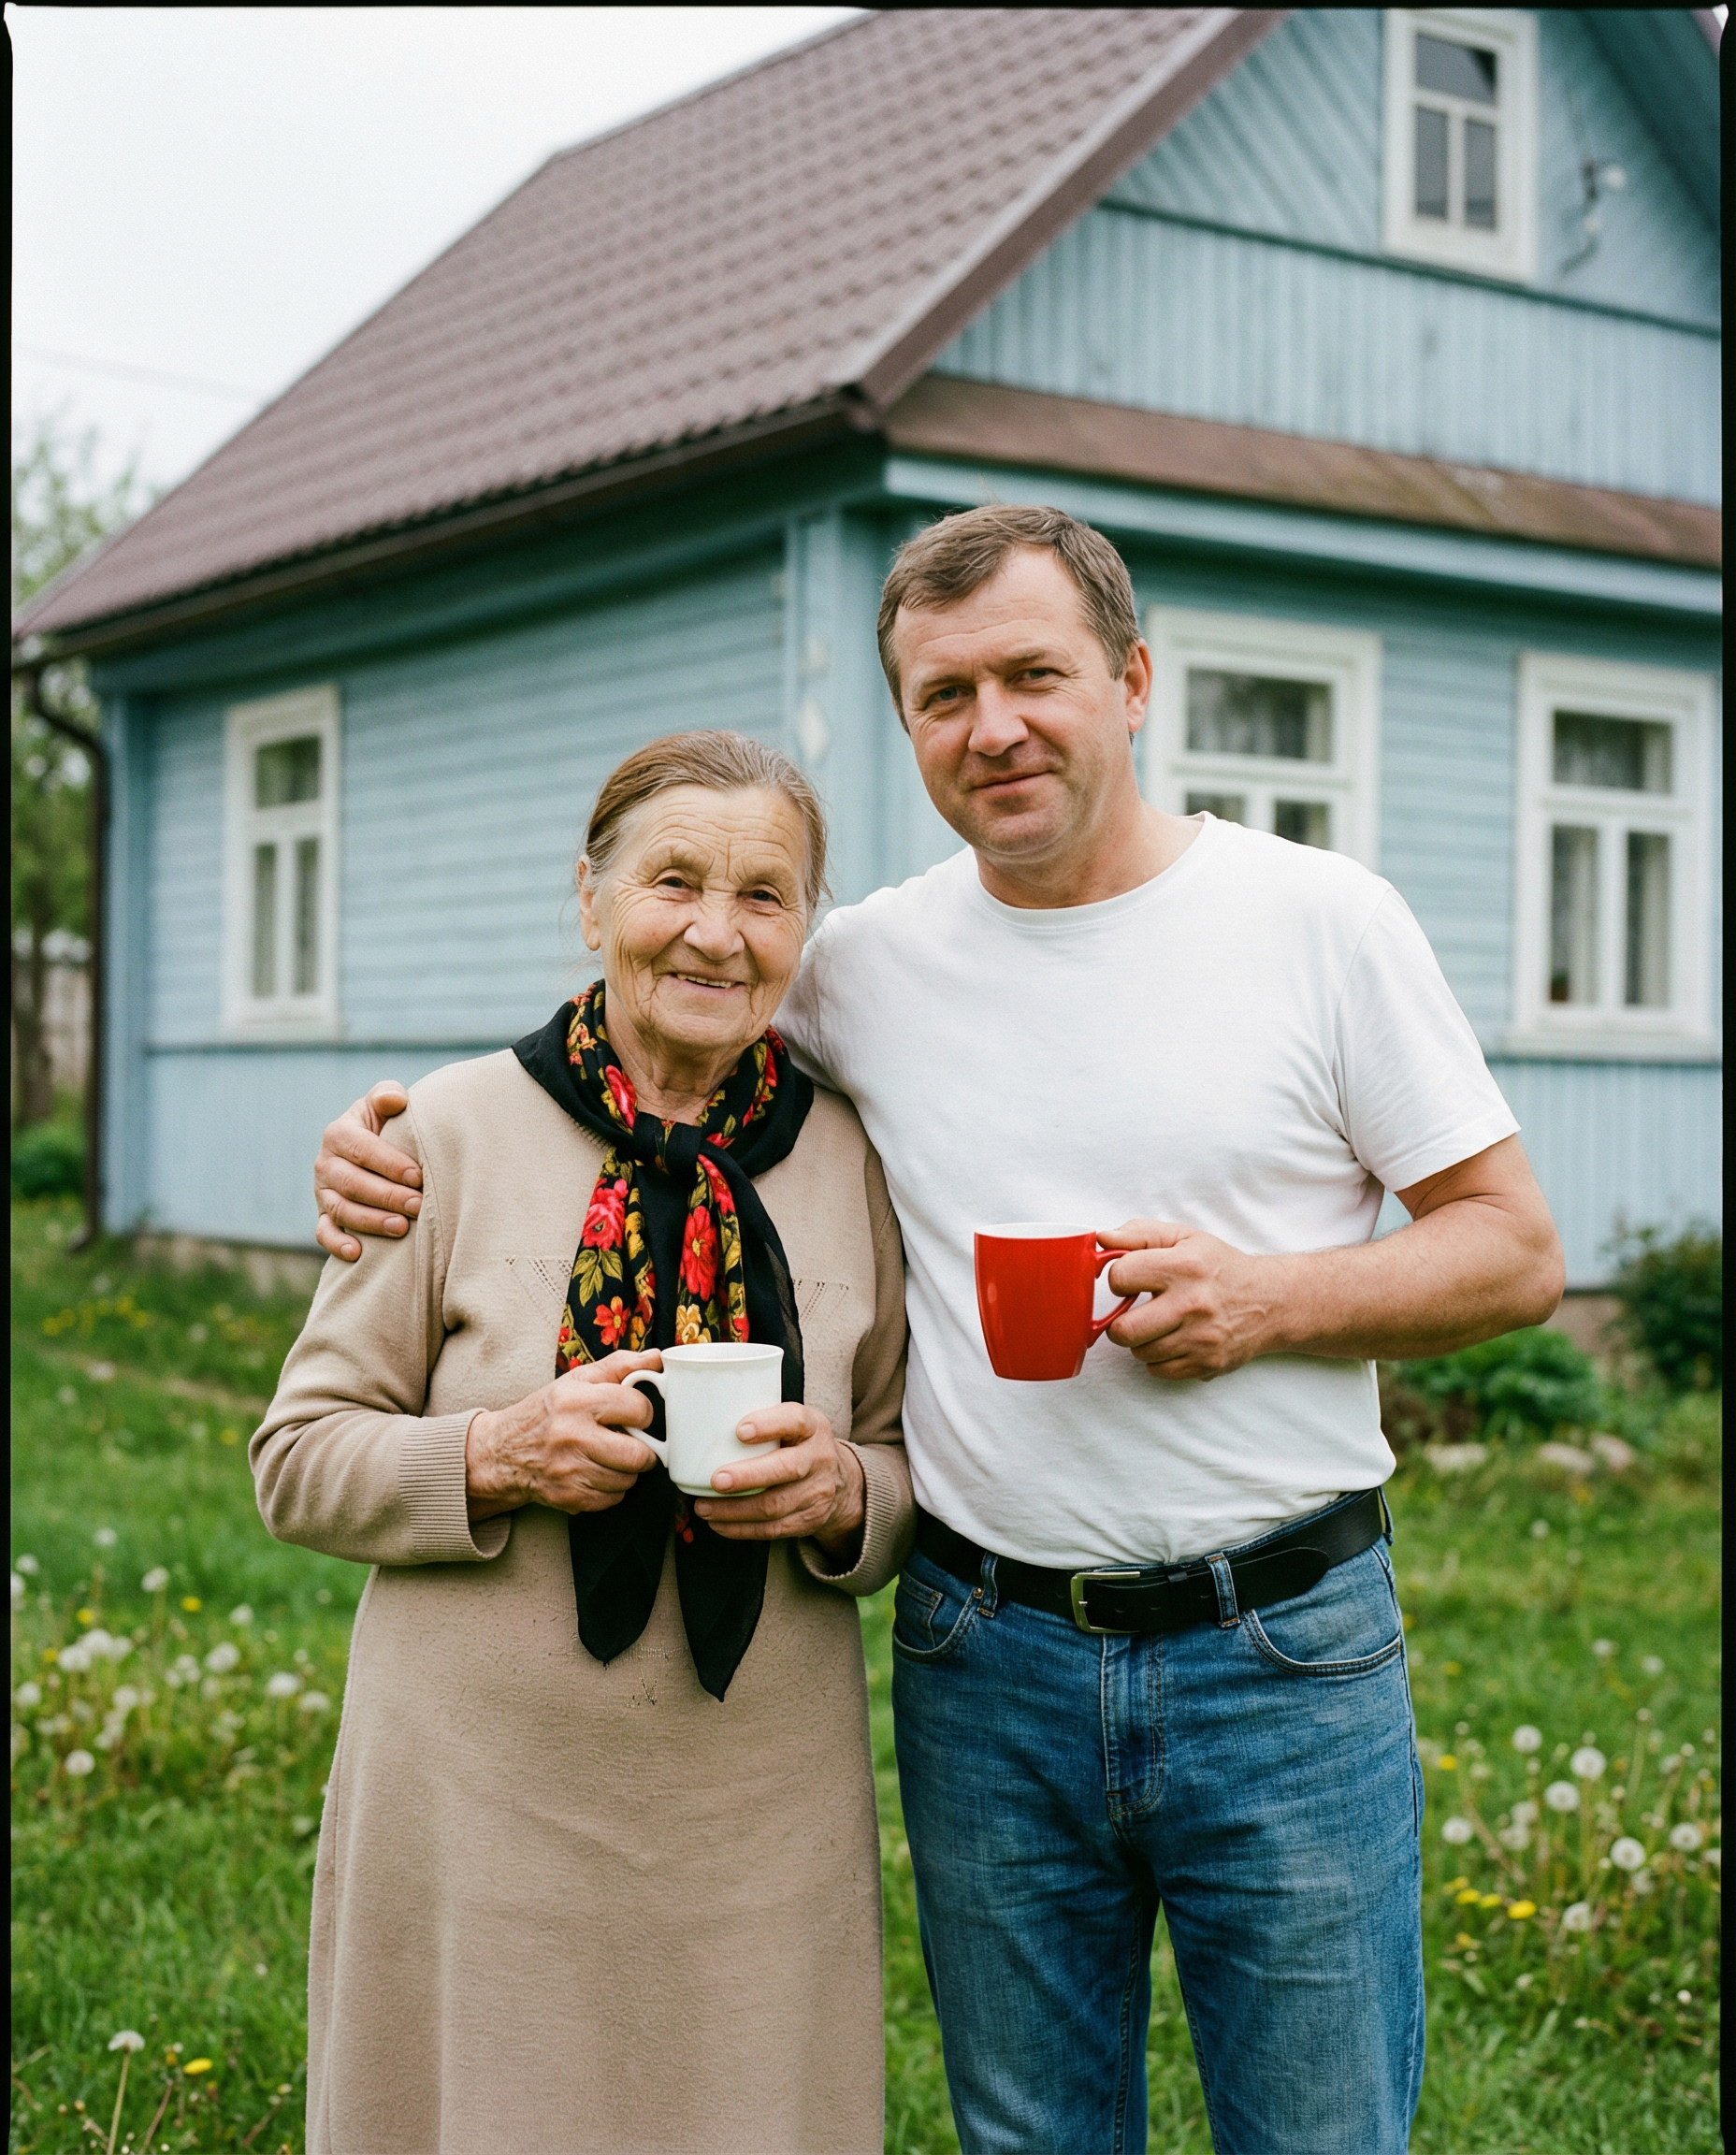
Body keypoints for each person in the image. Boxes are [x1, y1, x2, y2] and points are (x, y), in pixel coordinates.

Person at [316, 507, 1565, 2155]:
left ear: (1131, 681)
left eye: (1035, 676)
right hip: (994, 1663)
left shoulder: (1320, 922)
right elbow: (655, 1022)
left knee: (1322, 2134)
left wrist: (1272, 1299)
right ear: (909, 725)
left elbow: (1517, 1252)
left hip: (1282, 1651)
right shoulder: (863, 967)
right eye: (944, 694)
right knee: (1031, 2137)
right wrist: (386, 1140)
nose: (995, 728)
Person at [257, 730, 914, 2155]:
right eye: (673, 880)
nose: (715, 933)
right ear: (591, 900)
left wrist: (848, 1490)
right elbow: (296, 1457)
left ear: (806, 929)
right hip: (477, 1802)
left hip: (758, 1805)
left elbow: (916, 1460)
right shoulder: (437, 1134)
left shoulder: (859, 1158)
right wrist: (493, 1454)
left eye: (765, 895)